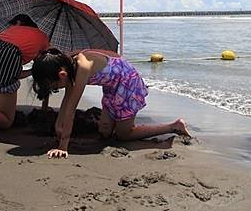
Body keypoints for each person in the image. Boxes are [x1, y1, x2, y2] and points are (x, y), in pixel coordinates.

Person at [31, 48, 191, 158]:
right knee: (105, 131)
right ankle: (117, 122)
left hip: (128, 84)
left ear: (62, 75)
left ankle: (173, 126)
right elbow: (66, 101)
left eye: (53, 86)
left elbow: (71, 107)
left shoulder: (82, 67)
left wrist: (63, 146)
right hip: (112, 88)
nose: (55, 89)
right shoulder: (66, 66)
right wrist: (58, 128)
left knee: (123, 134)